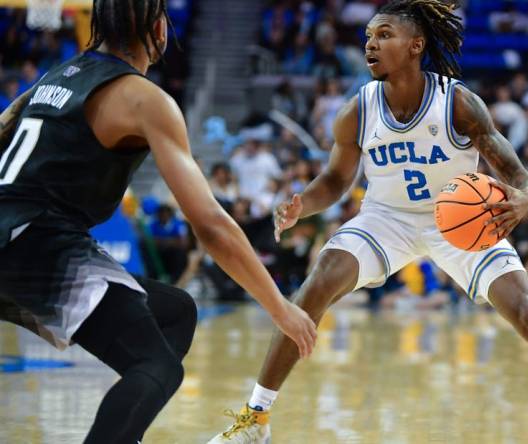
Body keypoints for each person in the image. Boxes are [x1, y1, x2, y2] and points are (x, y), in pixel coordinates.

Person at [209, 1, 528, 443]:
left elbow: (518, 174)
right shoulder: (358, 109)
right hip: (385, 219)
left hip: (460, 223)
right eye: (369, 36)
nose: (371, 43)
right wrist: (303, 205)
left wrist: (524, 198)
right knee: (317, 282)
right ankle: (254, 421)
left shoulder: (458, 103)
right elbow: (336, 180)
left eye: (385, 34)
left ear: (416, 45)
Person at [0, 1, 316, 443]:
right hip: (35, 239)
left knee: (174, 312)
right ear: (157, 29)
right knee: (157, 366)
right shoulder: (144, 99)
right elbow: (210, 224)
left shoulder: (55, 78)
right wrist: (280, 308)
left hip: (17, 232)